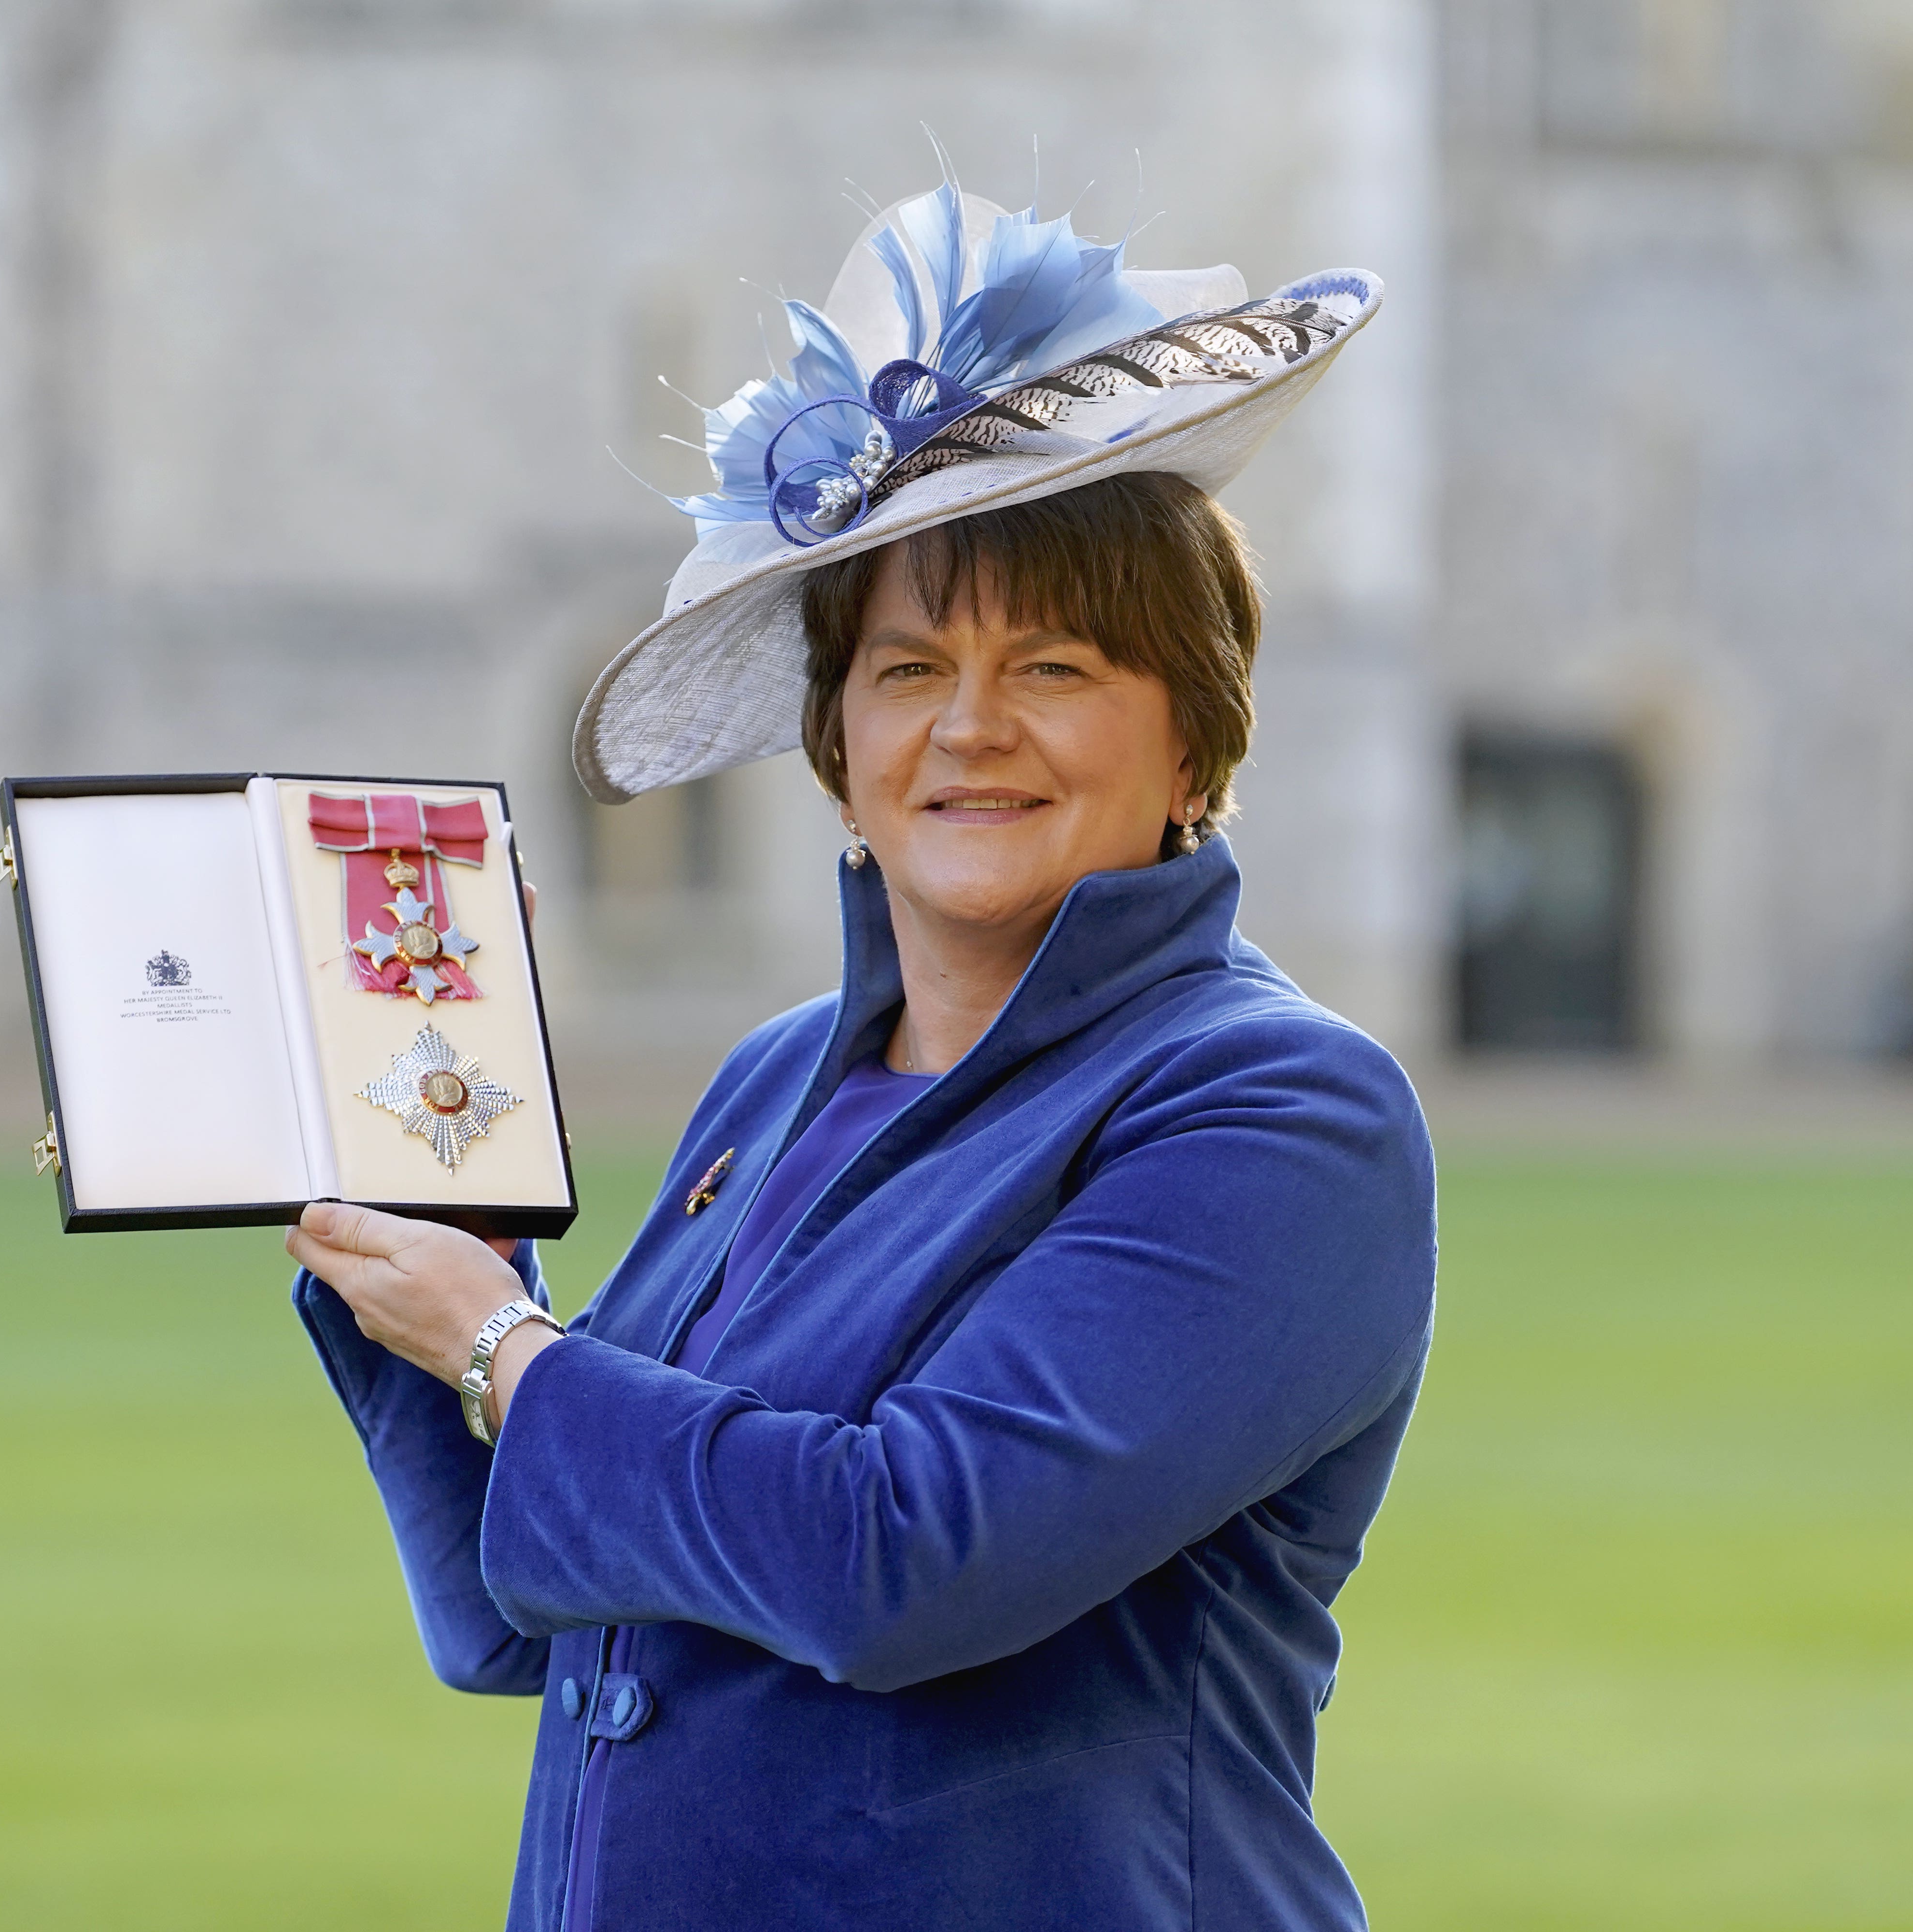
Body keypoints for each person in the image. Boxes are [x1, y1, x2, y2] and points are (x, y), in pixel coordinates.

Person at [285, 172, 1436, 1932]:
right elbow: (545, 1613)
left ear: (1196, 744)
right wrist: (405, 1269)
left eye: (1054, 666)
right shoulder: (775, 1080)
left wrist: (506, 1346)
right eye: (908, 670)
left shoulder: (1279, 1110)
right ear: (837, 748)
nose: (969, 728)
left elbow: (903, 1557)